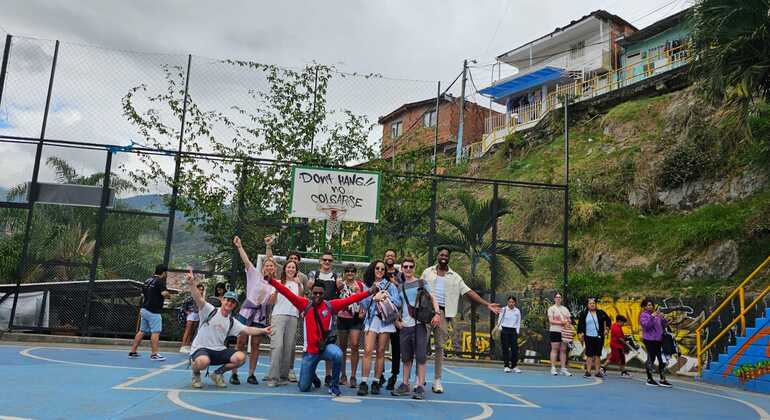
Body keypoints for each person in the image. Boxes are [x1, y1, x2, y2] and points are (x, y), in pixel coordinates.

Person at [264, 269, 382, 396]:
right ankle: (312, 375)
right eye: (315, 293)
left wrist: (370, 292)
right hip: (310, 352)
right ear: (311, 293)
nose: (317, 295)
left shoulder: (330, 305)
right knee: (303, 387)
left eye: (320, 293)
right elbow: (286, 292)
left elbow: (351, 299)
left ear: (324, 294)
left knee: (338, 354)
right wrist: (271, 280)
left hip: (325, 348)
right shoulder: (304, 304)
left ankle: (334, 386)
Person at [421, 247, 501, 393]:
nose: (443, 257)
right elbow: (419, 289)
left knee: (439, 347)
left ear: (449, 258)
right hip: (426, 311)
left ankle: (437, 380)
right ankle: (420, 378)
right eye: (441, 254)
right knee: (421, 346)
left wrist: (487, 304)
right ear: (437, 256)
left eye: (446, 255)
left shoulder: (455, 277)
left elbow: (469, 291)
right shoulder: (427, 272)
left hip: (443, 313)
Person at [184, 269, 272, 389]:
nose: (229, 303)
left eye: (233, 302)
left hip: (219, 350)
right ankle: (196, 373)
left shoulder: (231, 321)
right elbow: (198, 298)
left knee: (241, 358)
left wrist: (264, 330)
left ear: (235, 305)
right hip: (201, 349)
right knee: (203, 361)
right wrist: (191, 284)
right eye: (228, 300)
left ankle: (217, 374)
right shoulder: (209, 310)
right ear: (222, 300)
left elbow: (247, 330)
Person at [391, 257, 440, 400]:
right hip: (405, 326)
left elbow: (433, 297)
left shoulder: (421, 283)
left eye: (410, 266)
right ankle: (405, 384)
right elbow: (398, 306)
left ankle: (420, 385)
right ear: (402, 269)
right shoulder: (400, 287)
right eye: (405, 266)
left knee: (421, 356)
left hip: (419, 325)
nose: (408, 269)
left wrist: (437, 313)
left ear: (414, 268)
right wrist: (396, 321)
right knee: (406, 357)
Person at [264, 235, 307, 382]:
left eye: (293, 267)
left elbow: (301, 301)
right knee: (277, 346)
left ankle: (283, 375)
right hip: (278, 316)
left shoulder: (299, 284)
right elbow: (271, 302)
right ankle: (273, 376)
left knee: (289, 347)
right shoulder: (277, 282)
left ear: (296, 270)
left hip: (293, 317)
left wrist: (299, 285)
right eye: (288, 267)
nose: (291, 269)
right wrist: (277, 290)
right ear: (284, 269)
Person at [231, 236, 272, 385]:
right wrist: (240, 246)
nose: (269, 267)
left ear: (274, 269)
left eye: (271, 266)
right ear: (263, 267)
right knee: (241, 342)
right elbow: (246, 261)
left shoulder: (275, 284)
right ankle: (234, 373)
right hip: (247, 312)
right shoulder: (254, 274)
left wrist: (269, 247)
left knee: (255, 344)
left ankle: (251, 374)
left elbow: (270, 260)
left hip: (260, 316)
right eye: (267, 265)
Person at [358, 260, 401, 396]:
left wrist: (386, 296)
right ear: (373, 269)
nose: (380, 271)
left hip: (385, 321)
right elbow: (363, 304)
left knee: (381, 351)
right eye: (377, 268)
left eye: (382, 269)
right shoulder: (367, 285)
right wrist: (374, 297)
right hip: (371, 320)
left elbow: (398, 302)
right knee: (367, 350)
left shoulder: (390, 286)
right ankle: (364, 382)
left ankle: (376, 382)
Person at [307, 251, 343, 387]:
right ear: (320, 261)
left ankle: (328, 375)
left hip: (330, 314)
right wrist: (310, 284)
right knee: (312, 343)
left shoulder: (337, 275)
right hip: (315, 313)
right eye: (325, 260)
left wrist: (341, 284)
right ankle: (312, 373)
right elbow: (308, 287)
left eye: (330, 260)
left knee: (329, 343)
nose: (327, 262)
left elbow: (340, 287)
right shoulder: (313, 274)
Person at [129, 264, 171, 361]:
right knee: (156, 332)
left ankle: (132, 351)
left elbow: (143, 294)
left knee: (142, 331)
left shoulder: (147, 280)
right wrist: (169, 296)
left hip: (144, 309)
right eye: (166, 272)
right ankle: (154, 354)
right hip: (153, 311)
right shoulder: (160, 281)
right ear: (164, 272)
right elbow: (164, 293)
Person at [337, 263, 366, 388]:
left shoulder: (360, 285)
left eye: (352, 271)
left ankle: (353, 376)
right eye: (348, 271)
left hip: (355, 318)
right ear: (345, 273)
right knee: (342, 347)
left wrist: (363, 310)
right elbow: (335, 298)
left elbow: (365, 299)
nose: (350, 273)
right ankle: (343, 375)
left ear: (355, 273)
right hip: (342, 317)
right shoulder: (340, 284)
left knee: (354, 345)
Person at [640, 298, 672, 387]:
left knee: (662, 360)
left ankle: (662, 379)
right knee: (651, 359)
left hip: (659, 340)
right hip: (649, 340)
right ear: (644, 307)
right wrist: (652, 316)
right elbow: (646, 326)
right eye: (648, 305)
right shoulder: (643, 315)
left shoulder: (656, 315)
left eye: (651, 305)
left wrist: (664, 319)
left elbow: (663, 326)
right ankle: (649, 379)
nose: (651, 307)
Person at [577, 297, 611, 378]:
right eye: (590, 303)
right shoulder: (584, 313)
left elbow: (608, 321)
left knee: (597, 354)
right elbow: (580, 325)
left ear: (596, 304)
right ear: (587, 305)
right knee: (589, 354)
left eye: (593, 303)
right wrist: (580, 333)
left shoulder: (601, 312)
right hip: (588, 337)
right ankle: (588, 371)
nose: (592, 305)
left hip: (599, 337)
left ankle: (597, 372)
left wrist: (607, 329)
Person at [383, 248, 401, 391]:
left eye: (392, 255)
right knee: (380, 347)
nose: (390, 257)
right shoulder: (380, 272)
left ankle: (394, 375)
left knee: (396, 348)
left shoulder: (400, 275)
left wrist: (396, 284)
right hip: (382, 315)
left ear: (395, 258)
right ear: (384, 257)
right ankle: (380, 374)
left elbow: (404, 292)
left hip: (395, 315)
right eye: (388, 255)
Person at [547, 292, 573, 376]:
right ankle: (553, 367)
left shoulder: (565, 309)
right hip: (555, 331)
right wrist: (562, 322)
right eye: (557, 297)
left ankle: (563, 368)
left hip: (564, 331)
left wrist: (568, 322)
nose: (558, 298)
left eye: (560, 297)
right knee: (554, 349)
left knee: (563, 350)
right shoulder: (551, 309)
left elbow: (569, 320)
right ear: (554, 299)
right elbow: (551, 321)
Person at [497, 296, 522, 373]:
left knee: (514, 349)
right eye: (510, 302)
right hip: (505, 330)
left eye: (513, 302)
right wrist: (500, 328)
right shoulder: (503, 309)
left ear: (515, 303)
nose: (511, 303)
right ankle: (506, 366)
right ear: (507, 302)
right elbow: (500, 319)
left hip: (513, 331)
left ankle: (514, 366)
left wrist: (517, 331)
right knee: (505, 348)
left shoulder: (517, 311)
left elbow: (518, 321)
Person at [179, 282, 205, 353]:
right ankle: (182, 346)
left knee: (192, 330)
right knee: (188, 330)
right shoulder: (192, 296)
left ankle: (187, 345)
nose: (201, 291)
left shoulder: (201, 298)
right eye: (199, 289)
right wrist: (187, 311)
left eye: (202, 289)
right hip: (191, 314)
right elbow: (184, 303)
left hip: (197, 314)